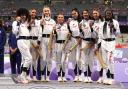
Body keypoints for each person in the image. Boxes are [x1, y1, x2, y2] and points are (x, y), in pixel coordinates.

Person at [100, 9, 120, 85]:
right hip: (103, 43)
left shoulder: (115, 22)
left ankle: (112, 78)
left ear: (112, 14)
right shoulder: (102, 23)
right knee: (105, 61)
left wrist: (113, 28)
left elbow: (118, 34)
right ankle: (107, 77)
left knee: (111, 60)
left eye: (109, 13)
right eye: (107, 13)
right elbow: (99, 34)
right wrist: (99, 44)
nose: (108, 14)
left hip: (111, 42)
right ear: (105, 14)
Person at [12, 8, 32, 84]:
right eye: (22, 15)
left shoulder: (26, 23)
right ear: (19, 15)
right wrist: (17, 22)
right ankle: (22, 76)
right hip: (21, 40)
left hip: (27, 41)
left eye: (25, 15)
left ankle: (25, 75)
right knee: (29, 58)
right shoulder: (15, 22)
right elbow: (15, 32)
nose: (23, 16)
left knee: (24, 59)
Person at [50, 13, 70, 82]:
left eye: (62, 17)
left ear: (64, 19)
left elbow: (69, 36)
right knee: (58, 61)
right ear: (57, 19)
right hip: (57, 44)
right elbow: (53, 37)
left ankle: (64, 75)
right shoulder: (55, 26)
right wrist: (54, 30)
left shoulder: (67, 26)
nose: (60, 18)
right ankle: (59, 76)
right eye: (59, 17)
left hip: (65, 45)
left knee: (64, 61)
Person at [80, 9, 96, 83]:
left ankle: (89, 76)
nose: (85, 14)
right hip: (84, 42)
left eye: (86, 13)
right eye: (84, 13)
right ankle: (85, 76)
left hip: (92, 42)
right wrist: (80, 30)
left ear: (88, 13)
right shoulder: (81, 23)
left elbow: (95, 34)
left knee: (91, 60)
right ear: (82, 15)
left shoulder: (92, 21)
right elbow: (81, 36)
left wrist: (91, 27)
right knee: (84, 60)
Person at [40, 6, 56, 81]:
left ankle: (48, 76)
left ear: (50, 12)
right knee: (43, 58)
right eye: (45, 11)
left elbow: (54, 32)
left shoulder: (53, 21)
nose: (46, 12)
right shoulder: (40, 21)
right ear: (43, 12)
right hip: (43, 39)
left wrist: (53, 42)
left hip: (50, 39)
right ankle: (43, 75)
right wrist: (41, 24)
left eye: (47, 11)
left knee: (49, 58)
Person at [66, 8, 82, 82]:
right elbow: (69, 31)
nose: (73, 15)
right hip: (72, 40)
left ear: (78, 13)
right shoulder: (70, 21)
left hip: (80, 40)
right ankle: (75, 75)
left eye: (75, 13)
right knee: (73, 59)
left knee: (79, 59)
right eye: (72, 14)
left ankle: (81, 75)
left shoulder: (81, 21)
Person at [28, 9, 42, 81]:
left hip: (35, 41)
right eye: (32, 12)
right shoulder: (26, 21)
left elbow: (40, 32)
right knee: (27, 59)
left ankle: (33, 76)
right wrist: (29, 24)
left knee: (34, 60)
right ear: (30, 13)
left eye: (35, 13)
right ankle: (27, 76)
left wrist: (38, 42)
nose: (33, 13)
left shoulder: (38, 22)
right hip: (28, 41)